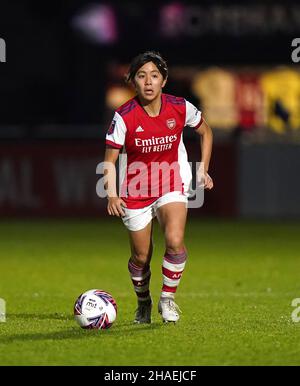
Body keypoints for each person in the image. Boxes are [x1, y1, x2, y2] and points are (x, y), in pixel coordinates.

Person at [104, 51, 213, 324]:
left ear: (164, 80)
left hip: (171, 181)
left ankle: (167, 299)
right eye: (141, 76)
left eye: (154, 75)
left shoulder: (179, 107)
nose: (148, 82)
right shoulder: (124, 117)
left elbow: (205, 131)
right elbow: (109, 161)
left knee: (175, 241)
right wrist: (112, 194)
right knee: (141, 257)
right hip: (136, 189)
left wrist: (203, 169)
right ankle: (144, 302)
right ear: (133, 81)